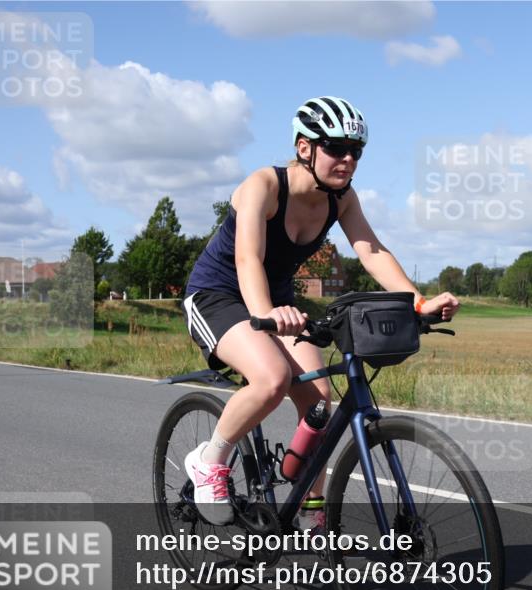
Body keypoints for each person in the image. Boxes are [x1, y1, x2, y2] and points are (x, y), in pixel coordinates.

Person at [182, 96, 459, 527]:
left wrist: (418, 302)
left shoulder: (341, 199)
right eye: (336, 148)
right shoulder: (263, 186)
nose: (348, 160)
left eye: (356, 151)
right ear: (304, 147)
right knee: (272, 378)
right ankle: (209, 460)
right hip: (217, 295)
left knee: (318, 399)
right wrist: (267, 314)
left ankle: (310, 507)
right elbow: (247, 259)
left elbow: (371, 251)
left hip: (275, 300)